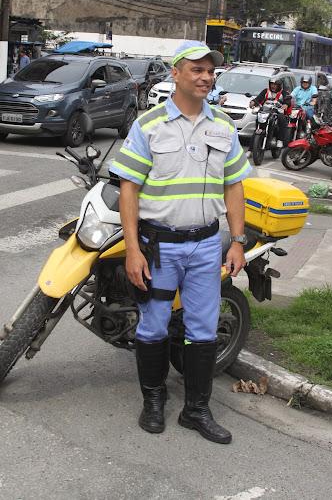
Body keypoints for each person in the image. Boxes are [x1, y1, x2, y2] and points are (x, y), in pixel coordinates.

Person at [109, 40, 252, 444]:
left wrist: (236, 241)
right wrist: (133, 249)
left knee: (203, 329)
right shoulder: (148, 125)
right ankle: (153, 401)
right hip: (159, 247)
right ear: (176, 74)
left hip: (207, 245)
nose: (206, 77)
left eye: (210, 71)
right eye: (197, 70)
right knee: (153, 326)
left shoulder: (223, 125)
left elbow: (234, 187)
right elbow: (128, 188)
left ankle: (196, 410)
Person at [246, 76, 291, 156]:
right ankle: (250, 150)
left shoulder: (283, 93)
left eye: (275, 84)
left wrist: (285, 104)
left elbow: (287, 100)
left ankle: (280, 140)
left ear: (279, 85)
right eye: (272, 84)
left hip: (276, 112)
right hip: (265, 112)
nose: (273, 86)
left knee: (282, 118)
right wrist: (253, 102)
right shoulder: (265, 91)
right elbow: (258, 99)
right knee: (257, 129)